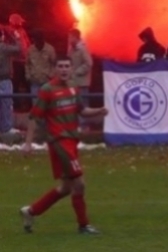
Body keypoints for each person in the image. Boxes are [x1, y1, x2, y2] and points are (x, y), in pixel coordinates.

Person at [20, 57, 107, 235]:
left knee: (66, 188)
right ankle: (83, 225)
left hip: (72, 141)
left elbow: (82, 111)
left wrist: (98, 111)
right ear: (55, 69)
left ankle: (30, 211)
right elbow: (34, 116)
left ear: (71, 68)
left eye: (67, 66)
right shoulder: (47, 90)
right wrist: (27, 144)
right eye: (60, 66)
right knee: (80, 183)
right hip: (59, 142)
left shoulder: (73, 88)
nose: (64, 69)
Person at [68, 29, 93, 131]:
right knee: (74, 105)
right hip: (73, 82)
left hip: (82, 83)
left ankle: (84, 126)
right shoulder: (72, 50)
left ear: (75, 37)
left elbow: (89, 63)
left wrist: (77, 72)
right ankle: (77, 125)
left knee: (82, 105)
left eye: (70, 37)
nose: (69, 39)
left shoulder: (83, 49)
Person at [0, 26, 22, 134]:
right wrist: (15, 37)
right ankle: (6, 128)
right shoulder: (3, 47)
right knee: (6, 103)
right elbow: (18, 49)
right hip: (4, 80)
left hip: (4, 80)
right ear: (2, 36)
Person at [26, 31, 56, 104]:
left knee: (48, 103)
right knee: (35, 103)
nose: (37, 42)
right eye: (36, 40)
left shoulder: (50, 49)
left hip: (47, 81)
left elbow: (54, 64)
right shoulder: (30, 50)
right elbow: (27, 64)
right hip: (34, 81)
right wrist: (28, 75)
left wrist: (51, 75)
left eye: (39, 39)